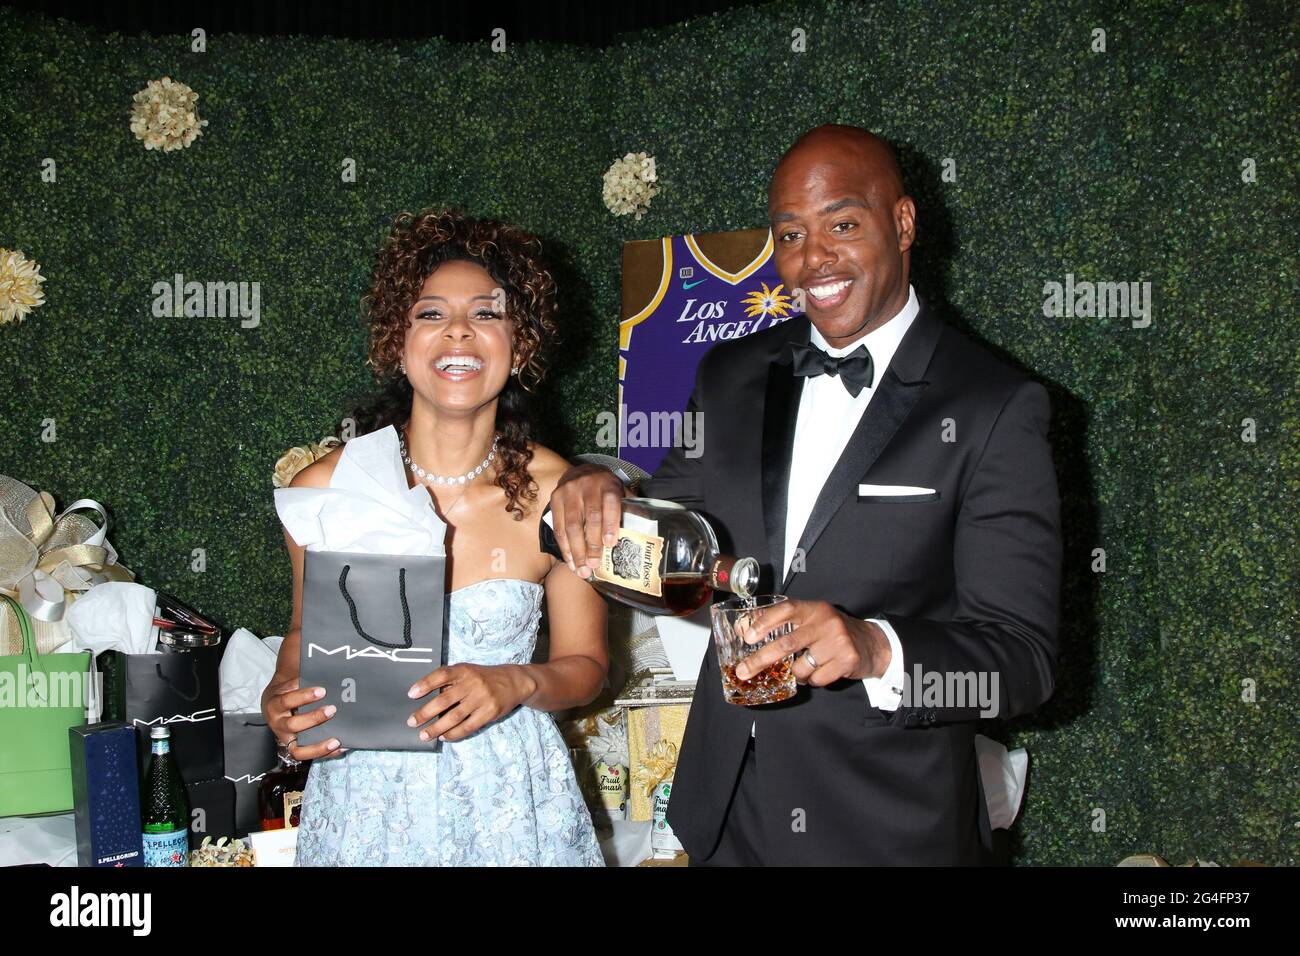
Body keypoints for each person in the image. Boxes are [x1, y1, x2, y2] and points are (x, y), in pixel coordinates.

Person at [549, 125, 1063, 865]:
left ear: (905, 223)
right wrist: (594, 487)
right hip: (725, 814)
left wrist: (873, 646)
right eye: (790, 234)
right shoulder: (730, 375)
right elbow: (664, 553)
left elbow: (1022, 662)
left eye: (843, 224)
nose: (812, 258)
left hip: (889, 828)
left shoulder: (993, 406)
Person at [262, 209, 608, 866]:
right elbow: (305, 637)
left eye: (486, 313)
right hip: (368, 803)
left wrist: (516, 683)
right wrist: (279, 699)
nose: (458, 331)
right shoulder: (327, 488)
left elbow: (586, 668)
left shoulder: (563, 494)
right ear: (398, 339)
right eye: (430, 314)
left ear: (521, 341)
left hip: (509, 805)